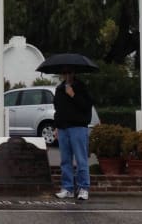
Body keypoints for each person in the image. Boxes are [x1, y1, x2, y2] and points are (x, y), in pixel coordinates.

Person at [53, 69, 94, 201]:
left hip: (78, 127)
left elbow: (87, 106)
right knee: (65, 161)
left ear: (74, 74)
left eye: (70, 73)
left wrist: (73, 95)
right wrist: (57, 126)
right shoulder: (59, 89)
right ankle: (68, 188)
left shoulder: (81, 87)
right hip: (63, 128)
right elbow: (58, 109)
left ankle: (83, 188)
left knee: (81, 159)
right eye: (65, 73)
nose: (67, 76)